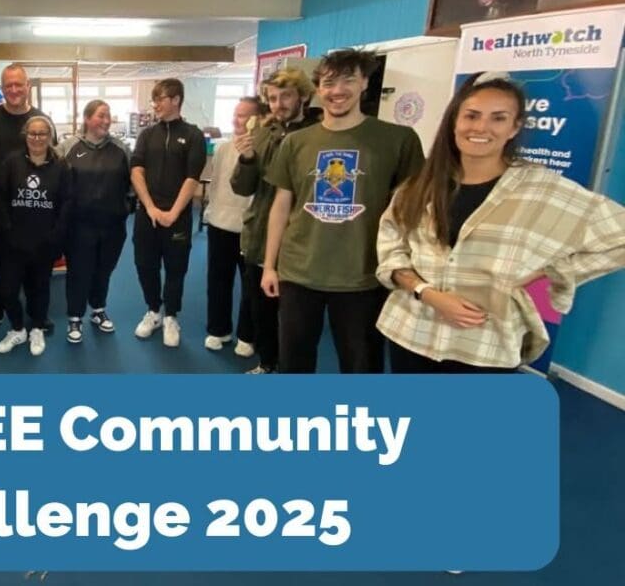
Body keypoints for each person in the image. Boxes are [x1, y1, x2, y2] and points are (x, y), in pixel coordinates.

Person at [377, 73, 625, 372]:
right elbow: (391, 249)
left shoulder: (543, 190)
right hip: (411, 333)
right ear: (455, 121)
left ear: (514, 127)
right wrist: (426, 293)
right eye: (472, 115)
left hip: (485, 346)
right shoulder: (420, 186)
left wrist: (549, 273)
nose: (481, 127)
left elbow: (617, 236)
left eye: (498, 118)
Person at [261, 49, 425, 373]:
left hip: (362, 274)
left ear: (365, 82)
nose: (338, 91)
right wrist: (269, 265)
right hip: (299, 270)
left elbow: (414, 208)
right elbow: (281, 205)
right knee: (294, 363)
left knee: (361, 366)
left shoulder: (397, 139)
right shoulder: (296, 142)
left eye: (348, 79)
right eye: (329, 82)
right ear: (319, 88)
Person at [232, 68, 319, 374]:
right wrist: (245, 159)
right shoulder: (262, 133)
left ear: (303, 96)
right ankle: (267, 363)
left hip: (302, 240)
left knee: (297, 320)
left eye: (286, 96)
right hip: (259, 235)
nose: (278, 104)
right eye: (272, 98)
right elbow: (242, 187)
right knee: (261, 310)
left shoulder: (318, 133)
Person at [0, 64, 50, 338]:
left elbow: (48, 161)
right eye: (8, 86)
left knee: (35, 265)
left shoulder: (41, 119)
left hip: (33, 208)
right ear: (2, 88)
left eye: (19, 84)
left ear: (27, 86)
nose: (14, 90)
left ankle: (36, 317)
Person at [130, 78, 206, 347]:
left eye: (160, 99)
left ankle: (171, 315)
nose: (155, 104)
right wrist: (150, 207)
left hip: (178, 216)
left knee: (175, 269)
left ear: (175, 99)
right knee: (144, 265)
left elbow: (192, 177)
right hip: (146, 214)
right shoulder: (147, 135)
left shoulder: (194, 135)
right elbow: (136, 170)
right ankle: (153, 311)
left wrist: (173, 213)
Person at [0, 116, 70, 357]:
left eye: (42, 134)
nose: (37, 138)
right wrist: (7, 231)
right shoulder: (11, 163)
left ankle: (36, 328)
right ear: (25, 136)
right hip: (13, 242)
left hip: (44, 243)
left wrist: (56, 236)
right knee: (8, 289)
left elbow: (67, 204)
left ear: (50, 136)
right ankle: (17, 329)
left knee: (40, 289)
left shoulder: (61, 166)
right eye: (32, 134)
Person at [56, 100, 132, 343]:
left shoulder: (121, 149)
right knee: (79, 271)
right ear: (87, 118)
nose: (106, 120)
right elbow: (53, 178)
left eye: (108, 116)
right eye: (101, 116)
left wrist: (127, 207)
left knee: (104, 270)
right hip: (79, 226)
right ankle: (75, 316)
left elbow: (133, 182)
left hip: (112, 225)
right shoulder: (68, 147)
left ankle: (98, 309)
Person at [203, 96, 260, 356]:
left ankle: (247, 335)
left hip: (251, 228)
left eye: (244, 115)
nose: (237, 120)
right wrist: (210, 213)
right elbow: (216, 187)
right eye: (235, 115)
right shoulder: (223, 148)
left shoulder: (265, 148)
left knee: (250, 286)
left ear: (258, 119)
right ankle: (218, 329)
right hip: (220, 224)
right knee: (218, 280)